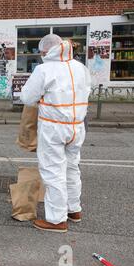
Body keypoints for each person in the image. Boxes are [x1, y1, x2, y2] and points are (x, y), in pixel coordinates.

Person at [20, 34, 92, 233]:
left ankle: (56, 220)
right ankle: (73, 210)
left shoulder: (44, 70)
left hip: (54, 127)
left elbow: (27, 97)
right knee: (72, 168)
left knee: (53, 172)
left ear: (46, 51)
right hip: (77, 126)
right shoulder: (80, 68)